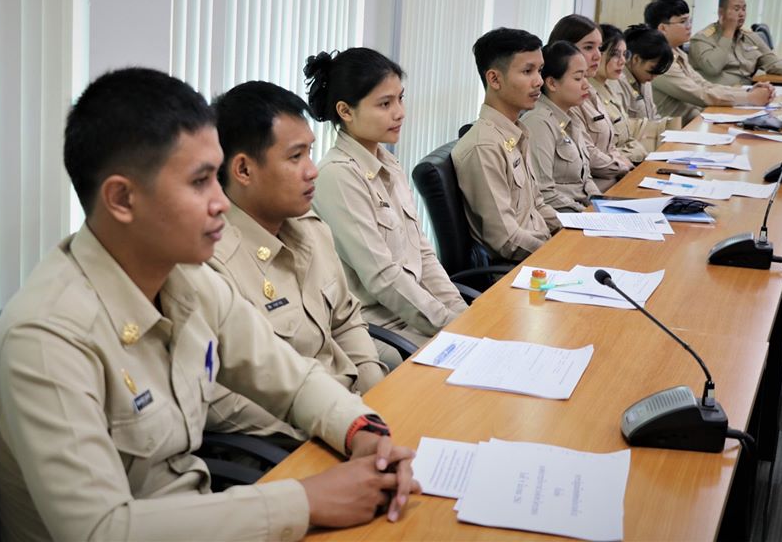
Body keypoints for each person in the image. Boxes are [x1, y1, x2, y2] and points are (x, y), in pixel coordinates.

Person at [0, 68, 419, 542]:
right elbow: (101, 529)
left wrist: (361, 430)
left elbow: (291, 379)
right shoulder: (47, 338)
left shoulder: (184, 278)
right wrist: (306, 501)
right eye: (199, 182)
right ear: (122, 199)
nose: (221, 202)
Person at [204, 80, 389, 440]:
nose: (312, 170)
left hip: (355, 418)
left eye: (310, 152)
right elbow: (221, 400)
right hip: (297, 440)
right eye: (295, 157)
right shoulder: (213, 263)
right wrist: (338, 428)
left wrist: (376, 400)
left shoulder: (310, 229)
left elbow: (346, 321)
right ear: (243, 170)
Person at [305, 48, 467, 348]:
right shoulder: (337, 176)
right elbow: (383, 277)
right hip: (379, 329)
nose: (400, 112)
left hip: (418, 315)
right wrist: (450, 324)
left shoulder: (387, 162)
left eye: (400, 98)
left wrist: (462, 314)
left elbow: (422, 253)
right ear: (345, 111)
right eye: (385, 103)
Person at [452, 28, 561, 262]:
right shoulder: (484, 146)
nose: (539, 81)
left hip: (542, 251)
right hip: (520, 268)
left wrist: (572, 232)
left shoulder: (516, 132)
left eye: (540, 70)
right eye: (527, 71)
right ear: (494, 79)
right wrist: (558, 253)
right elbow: (507, 240)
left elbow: (538, 206)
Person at [645, 0, 774, 124]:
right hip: (675, 130)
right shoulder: (658, 60)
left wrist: (748, 91)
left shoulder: (677, 52)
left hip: (696, 121)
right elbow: (700, 95)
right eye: (683, 22)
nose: (689, 26)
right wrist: (749, 98)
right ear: (663, 28)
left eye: (689, 20)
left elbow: (704, 85)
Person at [548, 14, 633, 191]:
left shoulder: (592, 92)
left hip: (610, 182)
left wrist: (627, 165)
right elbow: (589, 155)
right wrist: (623, 167)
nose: (597, 56)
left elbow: (610, 145)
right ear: (565, 49)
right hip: (596, 187)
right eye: (588, 47)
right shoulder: (564, 98)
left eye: (599, 48)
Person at [520, 41, 600, 212]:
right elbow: (544, 194)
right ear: (552, 83)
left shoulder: (571, 116)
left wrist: (601, 203)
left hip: (584, 210)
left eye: (586, 76)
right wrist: (587, 214)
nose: (586, 84)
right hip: (563, 217)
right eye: (578, 78)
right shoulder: (538, 122)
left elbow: (585, 178)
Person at [689, 0, 782, 86]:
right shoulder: (702, 39)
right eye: (736, 9)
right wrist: (729, 31)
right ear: (721, 12)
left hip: (746, 94)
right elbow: (712, 69)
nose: (742, 14)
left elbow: (770, 61)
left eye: (744, 9)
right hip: (716, 98)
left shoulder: (750, 36)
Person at [588, 24, 648, 164]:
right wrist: (635, 154)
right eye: (615, 54)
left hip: (624, 164)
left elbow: (629, 139)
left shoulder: (610, 87)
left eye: (624, 54)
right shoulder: (587, 93)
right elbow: (598, 153)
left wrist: (637, 153)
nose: (622, 61)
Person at [614, 24, 676, 153]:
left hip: (649, 147)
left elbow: (653, 115)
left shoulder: (643, 79)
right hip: (632, 152)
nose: (653, 77)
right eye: (651, 71)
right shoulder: (617, 82)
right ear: (636, 59)